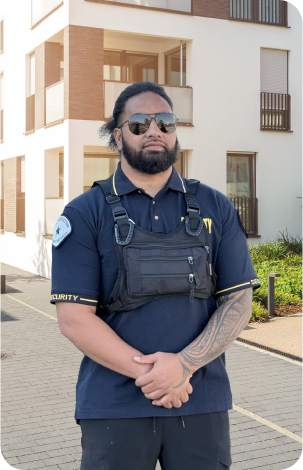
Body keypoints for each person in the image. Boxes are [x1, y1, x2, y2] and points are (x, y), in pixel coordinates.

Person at [50, 81, 261, 470]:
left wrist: (184, 366)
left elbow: (238, 299)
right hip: (114, 406)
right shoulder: (84, 213)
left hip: (200, 400)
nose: (154, 131)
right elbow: (73, 318)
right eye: (139, 123)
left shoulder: (216, 205)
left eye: (165, 122)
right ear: (117, 135)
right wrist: (158, 375)